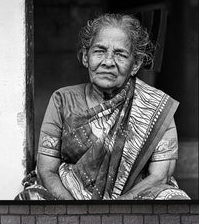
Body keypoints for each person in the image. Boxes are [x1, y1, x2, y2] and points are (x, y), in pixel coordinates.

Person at [17, 13, 190, 201]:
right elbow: (46, 170)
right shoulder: (62, 100)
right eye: (99, 51)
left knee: (174, 199)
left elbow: (160, 176)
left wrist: (120, 205)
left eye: (120, 54)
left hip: (135, 196)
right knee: (31, 199)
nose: (108, 62)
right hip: (69, 193)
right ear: (85, 57)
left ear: (135, 64)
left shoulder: (157, 107)